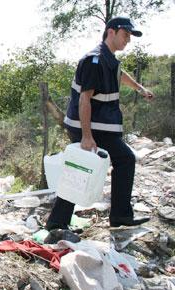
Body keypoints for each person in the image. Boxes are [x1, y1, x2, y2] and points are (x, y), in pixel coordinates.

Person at [46, 17, 155, 230]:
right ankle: (119, 216)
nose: (128, 40)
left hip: (100, 124)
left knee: (81, 169)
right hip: (88, 125)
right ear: (111, 32)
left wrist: (139, 89)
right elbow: (84, 99)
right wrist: (87, 136)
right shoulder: (94, 60)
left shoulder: (109, 59)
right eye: (126, 35)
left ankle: (57, 222)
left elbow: (119, 74)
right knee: (124, 159)